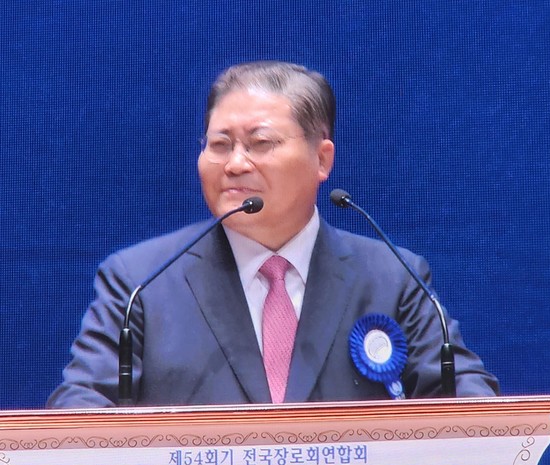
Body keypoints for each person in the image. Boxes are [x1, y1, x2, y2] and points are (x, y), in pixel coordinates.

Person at [47, 61, 499, 408]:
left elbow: (468, 402)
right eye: (219, 145)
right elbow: (79, 406)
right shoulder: (140, 282)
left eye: (260, 144)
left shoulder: (393, 277)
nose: (235, 163)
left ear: (322, 159)